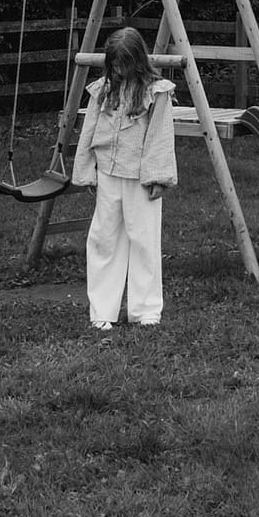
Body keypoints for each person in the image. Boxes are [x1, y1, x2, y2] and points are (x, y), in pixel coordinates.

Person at [71, 26, 178, 330]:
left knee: (144, 241)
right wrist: (86, 170)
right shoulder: (102, 90)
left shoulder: (156, 92)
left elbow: (160, 137)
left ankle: (146, 311)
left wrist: (157, 177)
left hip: (140, 178)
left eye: (123, 64)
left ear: (137, 61)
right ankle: (102, 311)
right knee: (104, 239)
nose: (118, 70)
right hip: (107, 173)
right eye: (114, 65)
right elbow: (90, 131)